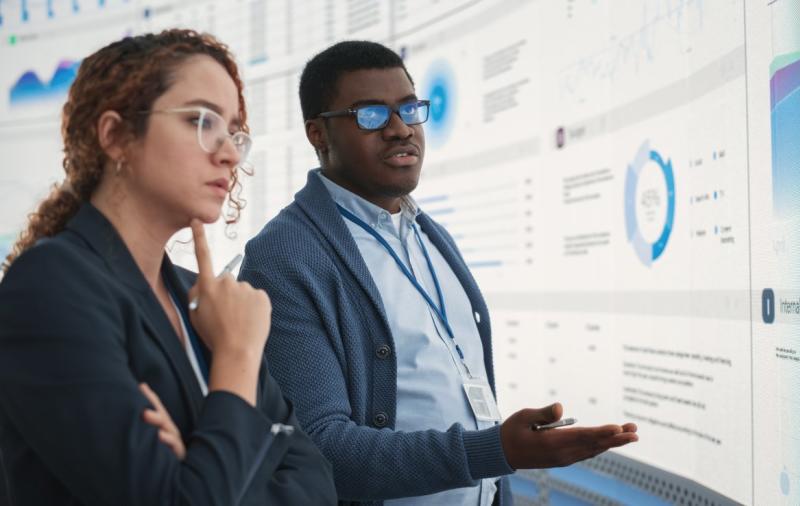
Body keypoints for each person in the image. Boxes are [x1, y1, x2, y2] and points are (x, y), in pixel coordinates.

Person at [238, 40, 638, 505]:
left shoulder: (428, 235)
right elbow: (322, 451)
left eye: (409, 109)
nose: (399, 129)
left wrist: (498, 464)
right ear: (318, 134)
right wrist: (497, 450)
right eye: (371, 115)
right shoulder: (283, 258)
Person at [0, 29, 336, 505]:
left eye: (234, 132)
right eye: (201, 120)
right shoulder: (50, 286)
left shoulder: (200, 298)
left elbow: (317, 485)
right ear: (115, 135)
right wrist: (237, 357)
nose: (228, 152)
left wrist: (197, 463)